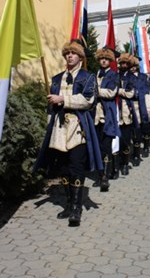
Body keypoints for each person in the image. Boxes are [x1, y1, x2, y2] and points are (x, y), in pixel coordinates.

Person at [34, 40, 103, 227]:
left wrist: (63, 99)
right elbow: (51, 108)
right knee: (63, 168)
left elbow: (88, 100)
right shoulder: (56, 78)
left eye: (73, 53)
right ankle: (67, 203)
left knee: (76, 167)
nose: (70, 56)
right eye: (67, 53)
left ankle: (76, 208)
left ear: (80, 57)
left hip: (77, 127)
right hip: (58, 128)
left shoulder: (88, 77)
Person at [93, 46, 120, 192]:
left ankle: (105, 177)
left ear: (110, 61)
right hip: (94, 116)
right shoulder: (95, 74)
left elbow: (111, 92)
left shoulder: (114, 75)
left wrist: (95, 91)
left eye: (106, 59)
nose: (104, 61)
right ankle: (99, 174)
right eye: (102, 59)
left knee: (106, 147)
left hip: (107, 115)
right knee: (97, 147)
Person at [117, 52, 136, 175]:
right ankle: (115, 165)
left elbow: (130, 93)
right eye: (122, 63)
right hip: (114, 112)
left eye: (125, 63)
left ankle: (124, 163)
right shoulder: (115, 75)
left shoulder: (131, 77)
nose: (123, 65)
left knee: (125, 140)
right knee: (115, 141)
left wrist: (118, 91)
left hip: (126, 112)